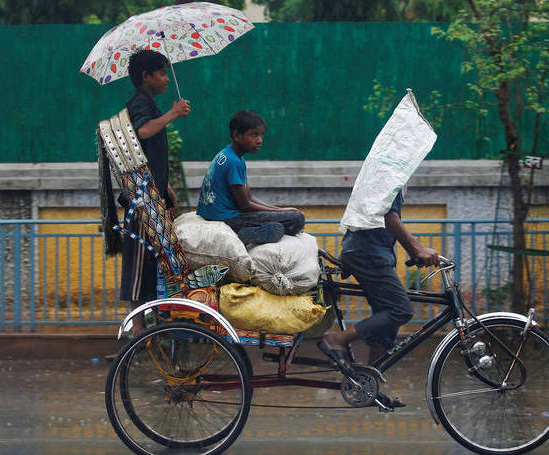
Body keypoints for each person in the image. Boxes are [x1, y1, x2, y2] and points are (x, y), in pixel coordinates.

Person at [318, 189, 439, 407]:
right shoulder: (389, 170)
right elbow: (388, 216)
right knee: (400, 310)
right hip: (369, 253)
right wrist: (416, 249)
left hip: (370, 252)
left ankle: (366, 385)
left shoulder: (387, 173)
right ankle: (339, 339)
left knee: (385, 328)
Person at [119, 49, 190, 336]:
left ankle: (153, 327)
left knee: (154, 263)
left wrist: (166, 185)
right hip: (141, 200)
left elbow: (147, 155)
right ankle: (137, 331)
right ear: (146, 76)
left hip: (154, 194)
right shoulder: (139, 104)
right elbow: (142, 133)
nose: (165, 80)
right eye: (161, 73)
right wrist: (173, 113)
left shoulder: (149, 104)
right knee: (138, 263)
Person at [196, 110, 305, 245]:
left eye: (261, 135)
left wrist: (279, 210)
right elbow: (245, 205)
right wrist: (283, 211)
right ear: (236, 136)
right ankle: (246, 233)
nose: (259, 140)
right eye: (253, 135)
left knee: (286, 217)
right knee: (296, 218)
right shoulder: (233, 161)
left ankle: (257, 231)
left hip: (218, 215)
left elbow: (249, 198)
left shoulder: (228, 155)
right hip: (228, 219)